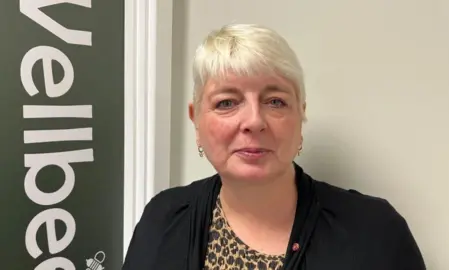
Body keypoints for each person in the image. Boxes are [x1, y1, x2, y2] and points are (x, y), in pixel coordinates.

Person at [122, 23, 426, 270]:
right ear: (196, 120)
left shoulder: (374, 233)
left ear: (300, 115)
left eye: (275, 101)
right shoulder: (162, 219)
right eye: (226, 102)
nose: (254, 121)